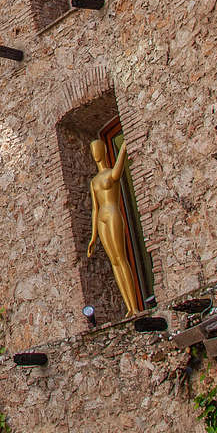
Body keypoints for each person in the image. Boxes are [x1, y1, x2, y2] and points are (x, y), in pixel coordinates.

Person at [88, 136, 145, 317]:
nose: (95, 154)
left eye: (97, 149)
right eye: (92, 151)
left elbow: (118, 172)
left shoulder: (110, 173)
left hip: (113, 212)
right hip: (102, 218)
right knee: (114, 261)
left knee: (121, 258)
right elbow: (95, 209)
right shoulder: (94, 181)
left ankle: (135, 306)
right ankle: (128, 307)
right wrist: (93, 236)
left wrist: (124, 147)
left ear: (104, 151)